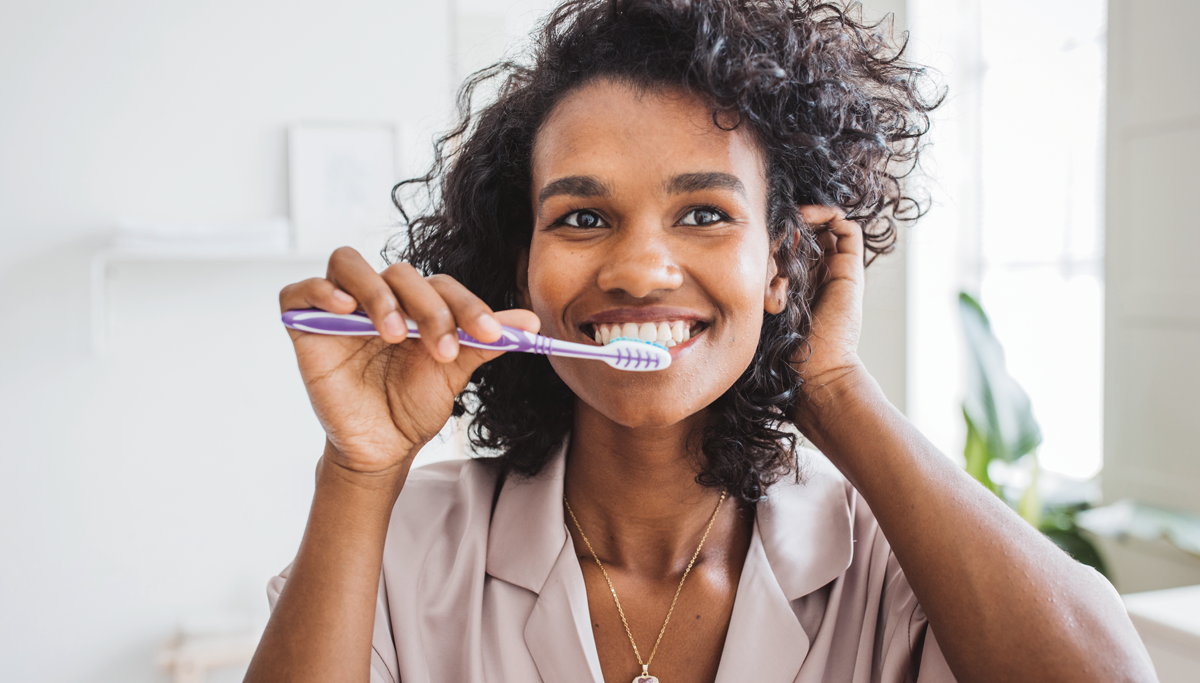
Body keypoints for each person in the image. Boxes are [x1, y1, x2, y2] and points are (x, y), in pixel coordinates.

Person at [245, 1, 1155, 681]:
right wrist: (359, 472)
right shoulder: (406, 546)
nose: (641, 268)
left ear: (781, 265)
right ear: (520, 270)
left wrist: (833, 386)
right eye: (584, 215)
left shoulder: (890, 562)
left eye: (705, 212)